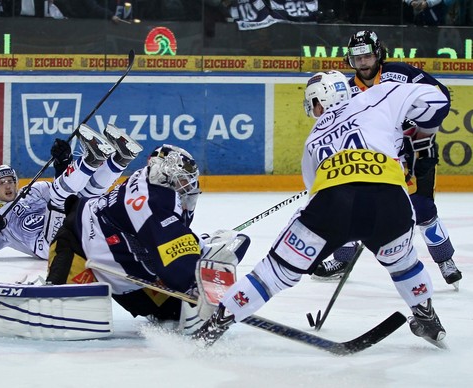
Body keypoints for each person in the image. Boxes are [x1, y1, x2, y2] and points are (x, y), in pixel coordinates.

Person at [193, 70, 450, 347]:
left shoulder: (313, 139)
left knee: (274, 273)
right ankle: (426, 316)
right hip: (391, 203)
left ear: (319, 100)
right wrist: (419, 139)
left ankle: (215, 326)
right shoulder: (378, 95)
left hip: (332, 206)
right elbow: (436, 101)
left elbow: (314, 189)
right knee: (403, 263)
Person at [313, 30, 462, 288]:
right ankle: (343, 259)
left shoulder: (402, 74)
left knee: (422, 209)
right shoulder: (346, 91)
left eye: (368, 56)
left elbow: (440, 97)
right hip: (376, 159)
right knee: (354, 206)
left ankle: (444, 259)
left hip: (415, 152)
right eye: (357, 58)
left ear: (378, 53)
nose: (363, 63)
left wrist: (415, 125)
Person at [46, 144, 250, 329]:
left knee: (175, 312)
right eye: (181, 180)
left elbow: (163, 238)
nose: (186, 188)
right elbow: (174, 261)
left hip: (125, 264)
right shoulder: (154, 202)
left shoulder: (150, 179)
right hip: (78, 244)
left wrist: (197, 246)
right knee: (58, 314)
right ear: (165, 173)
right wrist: (194, 284)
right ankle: (51, 288)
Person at [0, 123, 142, 260]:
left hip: (72, 232)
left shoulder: (34, 190)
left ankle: (120, 158)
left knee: (82, 197)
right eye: (1, 183)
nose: (7, 186)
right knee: (63, 196)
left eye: (10, 181)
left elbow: (68, 195)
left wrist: (63, 162)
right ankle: (92, 161)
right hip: (49, 246)